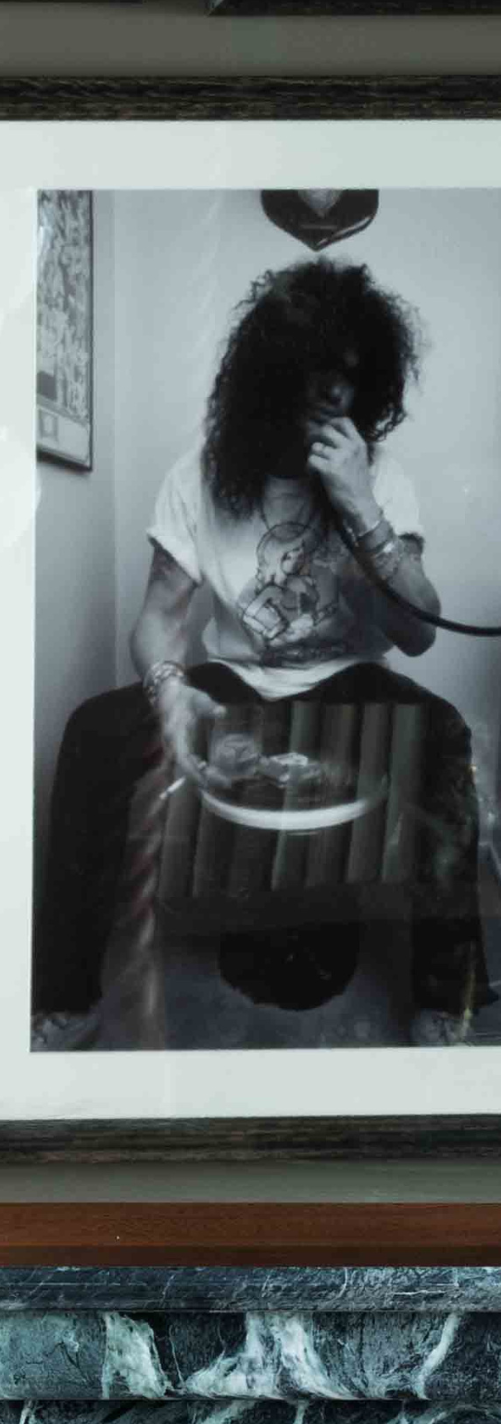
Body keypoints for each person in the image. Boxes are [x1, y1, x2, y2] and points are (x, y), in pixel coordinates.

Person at [37, 258, 490, 1044]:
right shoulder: (200, 476)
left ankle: (446, 995)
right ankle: (64, 994)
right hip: (236, 676)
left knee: (444, 732)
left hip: (348, 677)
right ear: (268, 376)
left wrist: (360, 505)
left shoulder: (381, 476)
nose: (332, 392)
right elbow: (157, 619)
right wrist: (169, 685)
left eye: (349, 376)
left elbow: (418, 634)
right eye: (313, 372)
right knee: (91, 730)